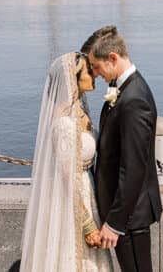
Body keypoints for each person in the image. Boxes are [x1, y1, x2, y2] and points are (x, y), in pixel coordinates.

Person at [20, 52, 116, 272]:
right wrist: (86, 224)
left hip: (87, 188)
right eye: (87, 71)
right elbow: (66, 176)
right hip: (72, 198)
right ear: (73, 77)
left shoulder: (82, 111)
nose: (93, 74)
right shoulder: (63, 121)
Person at [82, 26, 162, 272]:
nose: (95, 74)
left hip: (129, 216)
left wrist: (115, 222)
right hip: (125, 213)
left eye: (96, 66)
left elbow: (133, 167)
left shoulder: (134, 99)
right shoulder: (123, 89)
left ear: (113, 58)